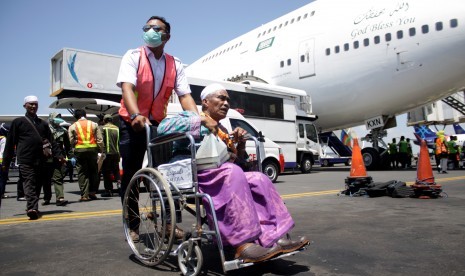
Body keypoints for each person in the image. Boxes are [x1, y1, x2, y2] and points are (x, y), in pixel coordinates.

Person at [158, 83, 310, 263]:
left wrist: (239, 145)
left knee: (259, 179)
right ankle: (242, 244)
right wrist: (201, 121)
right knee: (231, 172)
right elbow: (162, 128)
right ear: (205, 102)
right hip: (194, 173)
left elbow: (235, 161)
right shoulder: (191, 116)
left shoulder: (223, 130)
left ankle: (274, 237)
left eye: (228, 100)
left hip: (220, 172)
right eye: (221, 98)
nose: (226, 103)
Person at [116, 15, 201, 241]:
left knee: (169, 174)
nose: (151, 30)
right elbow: (127, 87)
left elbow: (185, 96)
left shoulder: (175, 64)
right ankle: (132, 224)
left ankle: (168, 224)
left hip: (157, 125)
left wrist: (197, 120)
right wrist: (135, 115)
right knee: (132, 175)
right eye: (147, 27)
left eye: (157, 28)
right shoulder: (133, 56)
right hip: (131, 122)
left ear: (167, 36)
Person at [2, 96, 63, 220]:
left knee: (37, 184)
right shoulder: (18, 122)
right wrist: (6, 162)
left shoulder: (43, 123)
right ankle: (32, 208)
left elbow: (52, 141)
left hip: (41, 159)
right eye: (30, 104)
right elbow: (10, 143)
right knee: (29, 182)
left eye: (35, 104)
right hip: (25, 159)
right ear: (25, 105)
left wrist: (59, 155)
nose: (33, 106)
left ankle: (32, 205)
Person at [68, 109, 104, 201]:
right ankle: (92, 192)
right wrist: (101, 150)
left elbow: (71, 141)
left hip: (79, 151)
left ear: (76, 117)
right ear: (85, 115)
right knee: (94, 171)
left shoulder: (73, 126)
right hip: (92, 150)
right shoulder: (94, 124)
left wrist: (76, 142)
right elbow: (99, 139)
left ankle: (84, 195)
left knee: (82, 173)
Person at [48, 112, 71, 206]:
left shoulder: (63, 131)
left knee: (58, 177)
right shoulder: (45, 130)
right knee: (45, 179)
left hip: (58, 157)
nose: (58, 119)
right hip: (46, 157)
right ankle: (46, 197)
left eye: (59, 117)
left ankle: (60, 198)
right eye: (56, 117)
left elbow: (68, 145)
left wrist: (71, 156)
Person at [99, 114, 120, 197]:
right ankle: (120, 188)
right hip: (116, 153)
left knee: (106, 172)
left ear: (104, 120)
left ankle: (108, 190)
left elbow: (101, 140)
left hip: (107, 153)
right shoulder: (117, 128)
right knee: (116, 171)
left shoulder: (103, 128)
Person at [0, 123, 10, 205]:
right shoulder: (3, 139)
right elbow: (3, 152)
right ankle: (1, 193)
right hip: (2, 162)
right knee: (2, 179)